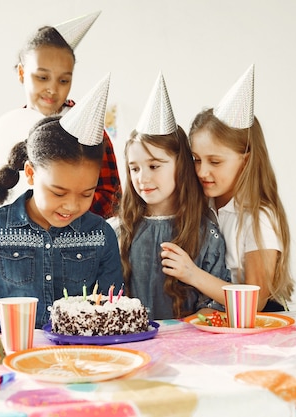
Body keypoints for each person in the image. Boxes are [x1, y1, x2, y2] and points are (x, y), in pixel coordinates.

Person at [0, 76, 121, 330]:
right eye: (59, 193)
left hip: (80, 362)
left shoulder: (102, 235)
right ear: (30, 174)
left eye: (86, 194)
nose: (72, 206)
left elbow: (113, 315)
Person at [161, 65, 294, 311]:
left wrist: (192, 274)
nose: (201, 172)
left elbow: (257, 301)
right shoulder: (204, 206)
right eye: (197, 159)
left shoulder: (258, 218)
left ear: (246, 159)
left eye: (215, 161)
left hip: (258, 327)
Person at [0, 13, 120, 220]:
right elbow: (1, 199)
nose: (52, 89)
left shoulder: (88, 130)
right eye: (42, 77)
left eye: (63, 80)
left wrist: (61, 209)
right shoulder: (6, 131)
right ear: (22, 73)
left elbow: (111, 198)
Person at [112, 74, 230, 320]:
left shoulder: (205, 234)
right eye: (135, 168)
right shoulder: (117, 232)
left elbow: (215, 306)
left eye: (154, 166)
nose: (142, 178)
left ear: (181, 166)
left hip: (188, 351)